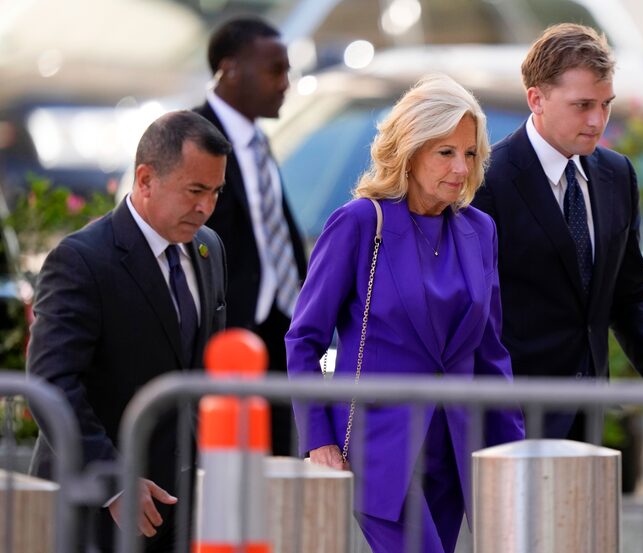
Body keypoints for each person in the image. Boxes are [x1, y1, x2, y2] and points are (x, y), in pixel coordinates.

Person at [286, 74, 525, 552]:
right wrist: (319, 441)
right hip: (379, 449)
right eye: (445, 152)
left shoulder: (480, 231)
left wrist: (513, 451)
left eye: (470, 153)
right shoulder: (359, 222)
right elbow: (304, 339)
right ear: (410, 151)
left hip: (454, 452)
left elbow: (491, 354)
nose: (461, 167)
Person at [472, 23, 643, 439]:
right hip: (509, 422)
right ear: (536, 99)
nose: (598, 121)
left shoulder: (616, 175)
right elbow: (473, 312)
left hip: (589, 418)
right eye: (582, 105)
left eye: (606, 104)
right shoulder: (488, 181)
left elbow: (630, 294)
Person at [28, 110, 230, 552]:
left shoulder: (208, 248)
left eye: (215, 192)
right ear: (144, 180)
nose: (206, 207)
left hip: (180, 510)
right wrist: (114, 480)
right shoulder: (81, 260)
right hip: (95, 514)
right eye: (195, 190)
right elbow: (51, 382)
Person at [194, 16, 307, 456]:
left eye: (288, 71)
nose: (286, 83)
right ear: (231, 70)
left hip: (278, 334)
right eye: (274, 70)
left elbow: (272, 232)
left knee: (274, 475)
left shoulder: (257, 142)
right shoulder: (192, 136)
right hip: (223, 341)